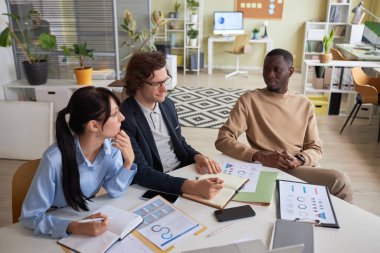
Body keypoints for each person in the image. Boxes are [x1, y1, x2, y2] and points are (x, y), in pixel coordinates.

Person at [215, 48, 353, 202]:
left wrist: (300, 160)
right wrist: (258, 155)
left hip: (298, 164)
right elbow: (223, 139)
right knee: (340, 181)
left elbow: (315, 147)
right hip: (270, 167)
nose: (269, 74)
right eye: (266, 69)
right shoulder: (249, 100)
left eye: (276, 70)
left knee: (335, 187)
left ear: (291, 71)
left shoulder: (304, 104)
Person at [20, 87, 137, 238]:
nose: (122, 117)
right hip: (55, 224)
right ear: (94, 125)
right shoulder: (54, 159)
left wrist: (128, 162)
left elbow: (115, 190)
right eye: (115, 114)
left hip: (87, 214)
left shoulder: (112, 147)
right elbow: (30, 217)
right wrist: (75, 227)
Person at [120, 51, 223, 199]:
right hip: (157, 183)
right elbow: (140, 171)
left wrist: (197, 156)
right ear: (138, 83)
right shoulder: (125, 117)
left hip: (182, 172)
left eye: (165, 81)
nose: (164, 89)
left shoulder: (167, 104)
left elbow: (179, 142)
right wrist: (192, 187)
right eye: (156, 84)